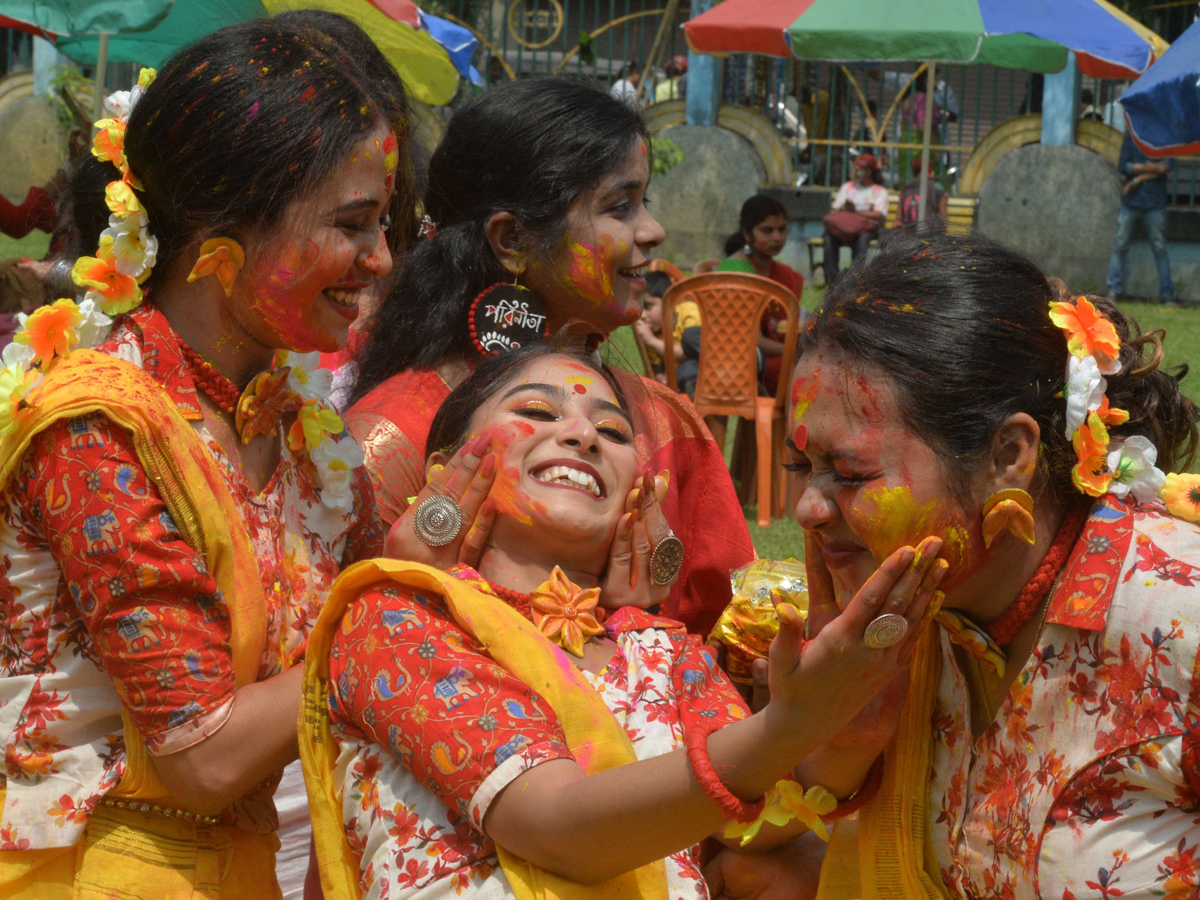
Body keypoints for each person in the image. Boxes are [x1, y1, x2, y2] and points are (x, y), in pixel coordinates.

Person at [0, 16, 410, 897]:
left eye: (386, 224)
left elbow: (382, 584)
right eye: (354, 225)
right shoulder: (93, 427)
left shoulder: (297, 430)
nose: (380, 260)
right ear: (222, 237)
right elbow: (203, 756)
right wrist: (397, 615)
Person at [301, 344, 944, 900]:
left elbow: (751, 814)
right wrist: (790, 726)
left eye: (612, 432)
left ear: (641, 490)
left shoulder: (662, 652)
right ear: (447, 467)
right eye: (536, 412)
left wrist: (844, 738)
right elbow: (556, 827)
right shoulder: (401, 617)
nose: (582, 436)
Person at [774, 225, 1200, 898]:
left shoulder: (1179, 625)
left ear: (1009, 456)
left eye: (850, 473)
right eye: (801, 467)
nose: (808, 509)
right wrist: (834, 729)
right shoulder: (899, 626)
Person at [345, 77, 754, 637]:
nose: (654, 231)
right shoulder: (390, 438)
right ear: (512, 239)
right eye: (619, 207)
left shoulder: (667, 424)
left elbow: (729, 638)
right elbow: (344, 658)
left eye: (645, 203)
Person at [715, 193, 803, 396]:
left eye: (782, 229)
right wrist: (795, 353)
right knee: (807, 370)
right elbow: (750, 340)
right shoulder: (736, 271)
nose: (777, 237)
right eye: (767, 230)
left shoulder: (785, 274)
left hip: (769, 354)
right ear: (747, 233)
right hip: (737, 360)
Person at [1106, 133, 1175, 305]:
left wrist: (1138, 176)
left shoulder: (1164, 136)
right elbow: (1124, 166)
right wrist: (1152, 168)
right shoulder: (1131, 136)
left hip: (1154, 202)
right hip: (1132, 201)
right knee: (1120, 245)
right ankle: (1112, 290)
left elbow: (1166, 166)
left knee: (1159, 248)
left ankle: (1167, 294)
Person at [821, 154, 887, 287]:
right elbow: (837, 209)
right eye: (855, 168)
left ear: (868, 172)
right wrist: (845, 207)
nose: (855, 171)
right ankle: (832, 281)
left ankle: (856, 280)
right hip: (844, 229)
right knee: (829, 238)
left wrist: (856, 212)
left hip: (864, 230)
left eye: (858, 168)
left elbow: (879, 215)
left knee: (862, 239)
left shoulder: (879, 191)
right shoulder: (847, 187)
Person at [633, 269, 699, 395]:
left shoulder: (688, 311)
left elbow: (689, 352)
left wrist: (652, 341)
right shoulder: (652, 332)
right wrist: (661, 379)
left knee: (688, 367)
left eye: (648, 306)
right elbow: (657, 371)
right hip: (680, 379)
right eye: (639, 308)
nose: (643, 315)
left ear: (670, 302)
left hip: (703, 368)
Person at [896, 156, 947, 226]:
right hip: (930, 233)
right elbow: (943, 221)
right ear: (929, 170)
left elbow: (898, 220)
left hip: (907, 232)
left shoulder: (906, 189)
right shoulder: (937, 189)